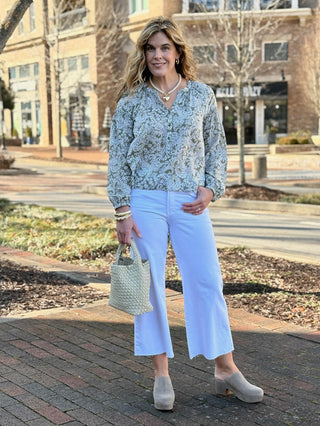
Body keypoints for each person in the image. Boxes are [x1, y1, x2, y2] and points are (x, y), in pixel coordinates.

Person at [107, 16, 263, 411]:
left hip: (190, 200)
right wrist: (122, 211)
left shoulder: (201, 96)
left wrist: (211, 187)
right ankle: (162, 374)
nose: (157, 55)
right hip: (143, 201)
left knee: (208, 281)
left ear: (177, 52)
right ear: (143, 54)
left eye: (164, 48)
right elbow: (117, 162)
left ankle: (225, 369)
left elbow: (217, 147)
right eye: (150, 49)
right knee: (151, 288)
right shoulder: (130, 101)